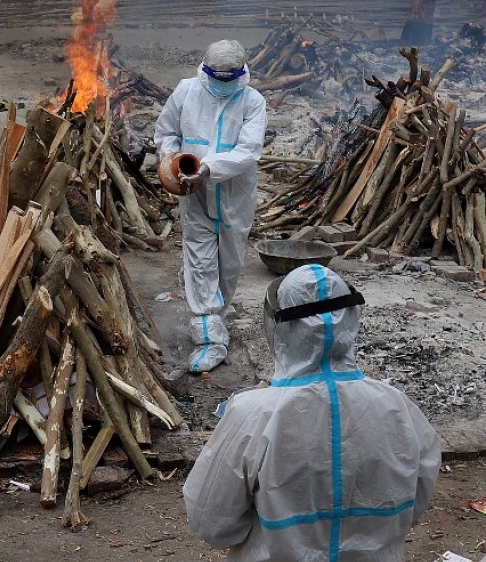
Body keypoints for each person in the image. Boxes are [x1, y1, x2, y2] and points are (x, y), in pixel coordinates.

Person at [183, 265, 440, 561]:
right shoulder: (398, 408)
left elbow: (212, 523)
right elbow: (416, 500)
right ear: (352, 319)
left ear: (280, 328)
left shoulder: (252, 414)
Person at [153, 39, 267, 373]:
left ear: (240, 74)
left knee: (229, 263)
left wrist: (208, 168)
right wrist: (172, 161)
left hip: (233, 194)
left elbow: (248, 150)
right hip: (195, 195)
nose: (221, 85)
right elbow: (166, 133)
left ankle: (217, 310)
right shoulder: (186, 91)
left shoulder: (252, 101)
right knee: (200, 261)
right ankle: (209, 337)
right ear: (205, 71)